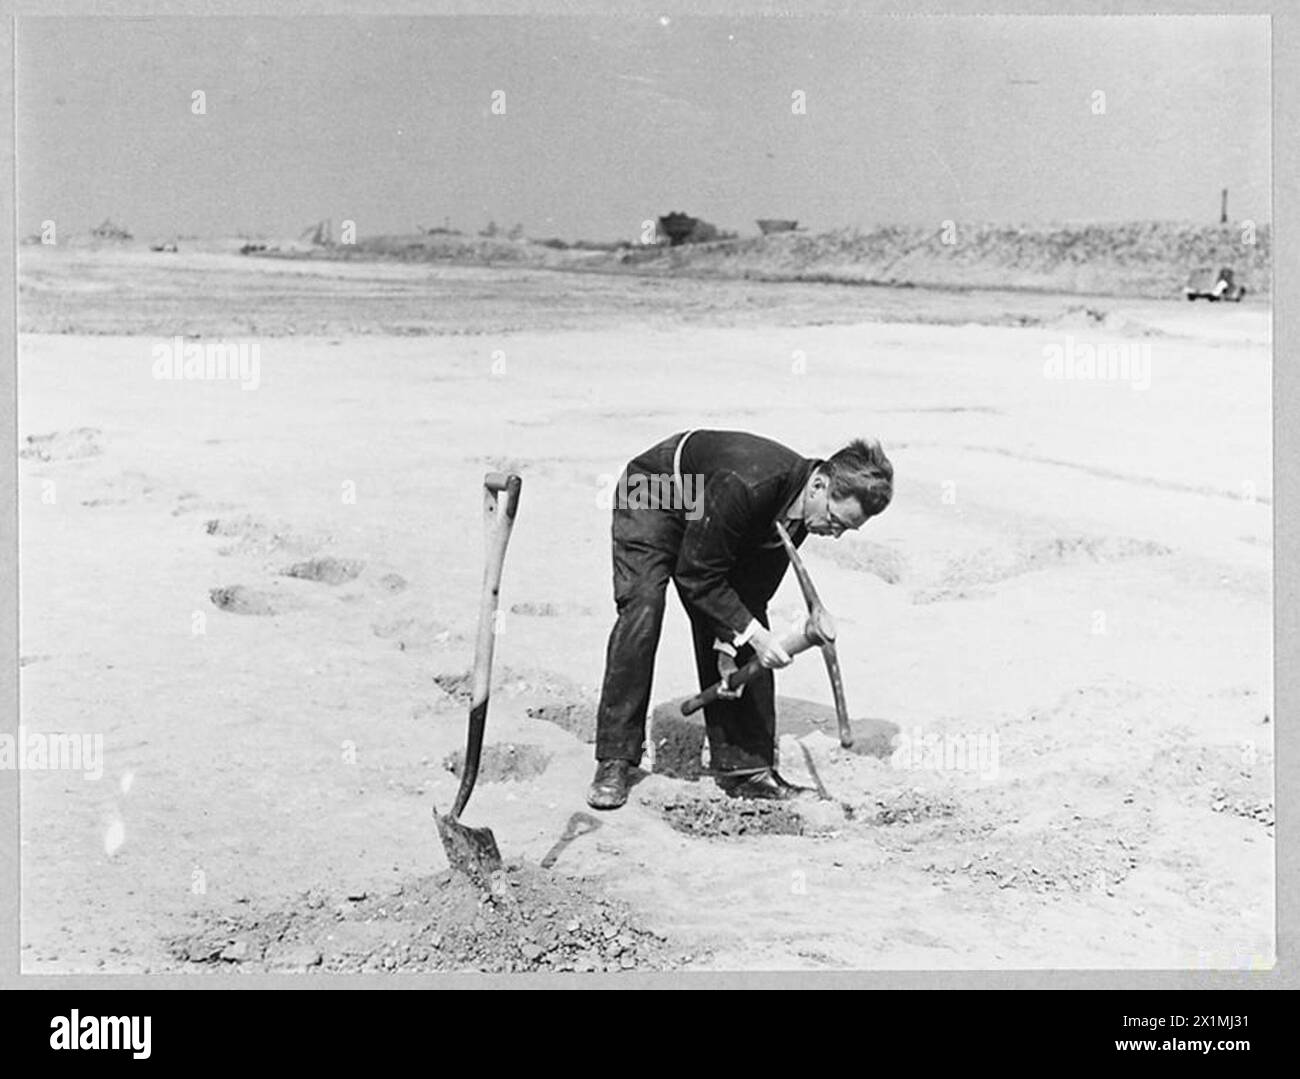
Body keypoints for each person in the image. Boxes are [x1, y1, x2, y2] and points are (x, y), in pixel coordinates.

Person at [587, 429, 893, 810]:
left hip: (710, 506)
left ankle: (747, 770)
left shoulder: (798, 515)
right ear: (818, 484)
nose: (834, 534)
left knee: (744, 619)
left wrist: (731, 648)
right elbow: (696, 576)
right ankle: (615, 758)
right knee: (644, 606)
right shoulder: (749, 484)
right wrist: (758, 638)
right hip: (656, 489)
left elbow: (748, 592)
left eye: (846, 530)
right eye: (835, 520)